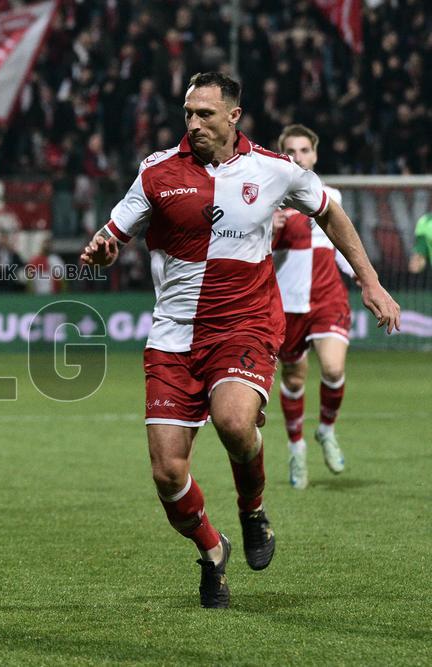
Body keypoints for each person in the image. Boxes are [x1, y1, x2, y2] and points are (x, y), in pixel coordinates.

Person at [80, 73, 400, 609]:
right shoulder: (157, 171)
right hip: (172, 335)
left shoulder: (275, 170)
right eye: (188, 113)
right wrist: (103, 248)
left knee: (233, 421)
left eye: (206, 113)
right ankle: (212, 550)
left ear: (233, 116)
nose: (194, 123)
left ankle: (252, 509)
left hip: (242, 326)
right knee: (167, 473)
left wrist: (368, 279)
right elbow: (115, 231)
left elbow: (331, 212)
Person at [272, 124, 357, 489]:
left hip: (327, 298)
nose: (298, 157)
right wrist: (268, 229)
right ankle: (296, 449)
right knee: (293, 378)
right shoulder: (267, 200)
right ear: (281, 156)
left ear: (315, 155)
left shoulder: (329, 195)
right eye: (290, 151)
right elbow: (254, 255)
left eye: (304, 150)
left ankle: (326, 429)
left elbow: (342, 247)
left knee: (334, 369)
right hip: (287, 304)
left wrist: (367, 281)